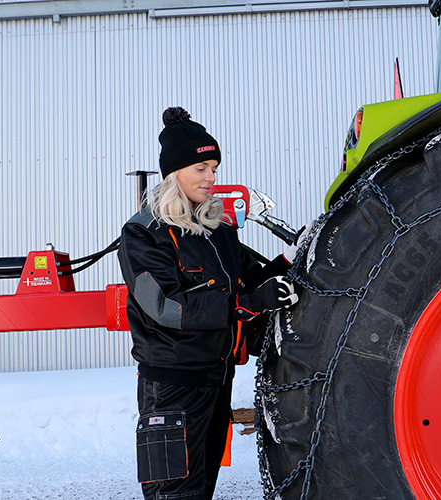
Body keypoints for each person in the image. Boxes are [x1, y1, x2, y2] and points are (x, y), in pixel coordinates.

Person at [118, 106, 301, 500]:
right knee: (175, 494)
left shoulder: (215, 229)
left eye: (214, 167)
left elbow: (252, 276)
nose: (211, 178)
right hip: (171, 389)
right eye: (201, 168)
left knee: (201, 491)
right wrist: (247, 304)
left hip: (216, 385)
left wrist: (296, 260)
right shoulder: (143, 234)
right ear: (174, 172)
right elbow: (165, 306)